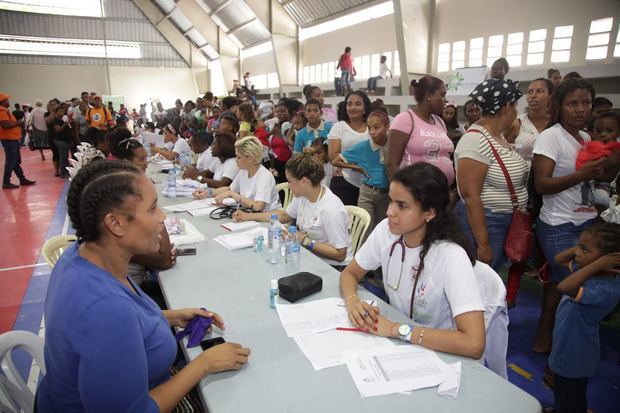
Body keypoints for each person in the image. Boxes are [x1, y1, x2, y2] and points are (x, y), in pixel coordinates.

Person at [36, 160, 250, 412]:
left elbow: (114, 327)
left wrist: (168, 317)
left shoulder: (78, 258)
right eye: (152, 209)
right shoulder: (105, 312)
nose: (162, 217)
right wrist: (204, 364)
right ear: (115, 224)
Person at [339, 163, 485, 359]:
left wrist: (395, 329)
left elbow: (474, 344)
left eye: (402, 205)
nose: (390, 211)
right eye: (391, 201)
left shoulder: (451, 256)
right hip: (402, 343)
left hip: (440, 352)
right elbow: (350, 273)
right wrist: (353, 302)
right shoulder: (386, 231)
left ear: (429, 213)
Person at [530, 78, 615, 354]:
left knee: (559, 286)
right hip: (558, 224)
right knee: (574, 286)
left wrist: (602, 169)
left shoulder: (586, 138)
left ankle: (545, 340)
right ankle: (564, 352)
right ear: (559, 106)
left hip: (585, 220)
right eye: (572, 104)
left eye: (586, 103)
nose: (581, 109)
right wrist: (583, 174)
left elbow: (591, 182)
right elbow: (542, 184)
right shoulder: (550, 137)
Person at [455, 78, 527, 271]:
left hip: (501, 220)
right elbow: (471, 196)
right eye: (515, 106)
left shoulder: (497, 136)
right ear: (506, 108)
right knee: (479, 275)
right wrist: (484, 244)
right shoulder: (475, 140)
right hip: (487, 222)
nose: (516, 112)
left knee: (489, 276)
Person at [233, 153, 352, 268]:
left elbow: (340, 254)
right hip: (311, 256)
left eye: (289, 181)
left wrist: (305, 241)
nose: (288, 186)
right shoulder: (304, 195)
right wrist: (248, 216)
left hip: (333, 267)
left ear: (304, 181)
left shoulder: (330, 209)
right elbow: (284, 215)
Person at [548, 222, 620, 413]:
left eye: (585, 249)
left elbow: (564, 287)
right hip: (567, 344)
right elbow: (558, 258)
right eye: (579, 246)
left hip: (577, 352)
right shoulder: (589, 274)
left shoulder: (605, 288)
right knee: (563, 392)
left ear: (607, 261)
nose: (577, 253)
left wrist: (596, 263)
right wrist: (587, 252)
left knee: (572, 397)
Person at [502, 78, 554, 307]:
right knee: (520, 243)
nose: (533, 96)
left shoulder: (558, 125)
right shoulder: (517, 123)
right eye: (530, 91)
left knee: (546, 246)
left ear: (550, 96)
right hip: (522, 191)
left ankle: (549, 293)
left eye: (540, 91)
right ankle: (510, 294)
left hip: (551, 191)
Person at [386, 76, 454, 185]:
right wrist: (398, 196)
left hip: (440, 193)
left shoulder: (439, 122)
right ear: (429, 96)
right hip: (414, 192)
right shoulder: (405, 119)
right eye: (442, 95)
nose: (445, 100)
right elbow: (392, 164)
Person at [332, 110, 389, 234]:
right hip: (367, 193)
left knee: (383, 229)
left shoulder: (393, 145)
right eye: (369, 128)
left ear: (387, 127)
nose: (372, 132)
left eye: (377, 127)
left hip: (386, 194)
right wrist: (357, 168)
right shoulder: (362, 147)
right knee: (365, 228)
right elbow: (335, 161)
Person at [195, 136, 281, 212]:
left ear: (250, 158)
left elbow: (258, 207)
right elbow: (230, 189)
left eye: (238, 157)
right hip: (251, 216)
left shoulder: (264, 176)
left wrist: (233, 195)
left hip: (269, 221)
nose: (235, 160)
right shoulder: (244, 171)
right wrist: (208, 192)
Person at [327, 91, 371, 206]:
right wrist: (356, 166)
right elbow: (333, 157)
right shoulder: (339, 127)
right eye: (349, 104)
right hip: (344, 181)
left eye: (358, 104)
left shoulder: (372, 127)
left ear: (365, 108)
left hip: (370, 183)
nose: (353, 107)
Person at [1, 92, 35, 189]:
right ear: (3, 101)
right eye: (7, 100)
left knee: (15, 161)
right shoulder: (2, 111)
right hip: (9, 140)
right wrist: (18, 123)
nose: (9, 101)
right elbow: (6, 125)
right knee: (11, 161)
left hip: (12, 139)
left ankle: (22, 179)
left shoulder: (5, 111)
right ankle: (6, 182)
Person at [50, 106, 74, 179]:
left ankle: (66, 171)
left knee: (65, 157)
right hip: (61, 141)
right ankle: (63, 173)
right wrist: (65, 124)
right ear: (56, 112)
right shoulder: (55, 120)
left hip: (66, 140)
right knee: (63, 157)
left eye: (62, 111)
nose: (61, 112)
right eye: (59, 111)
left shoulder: (63, 119)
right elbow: (58, 130)